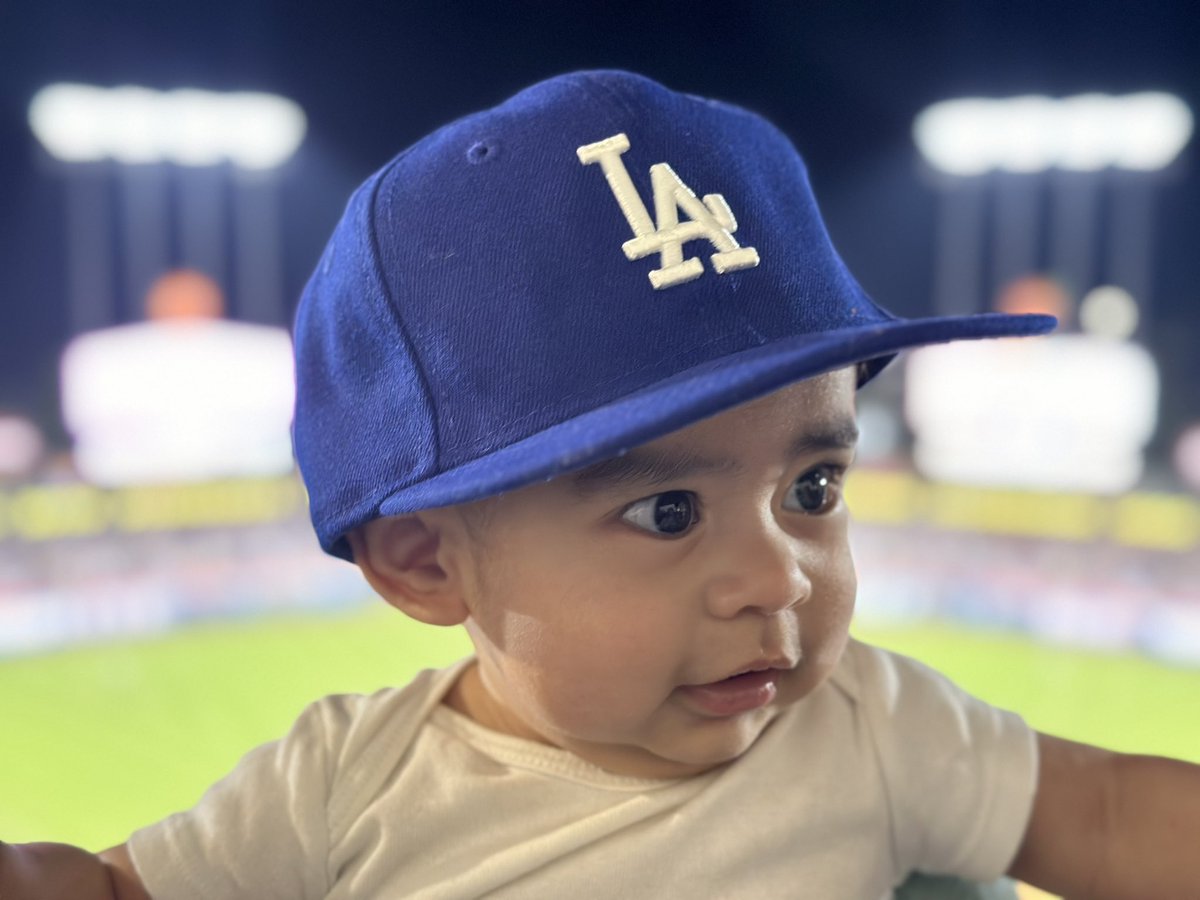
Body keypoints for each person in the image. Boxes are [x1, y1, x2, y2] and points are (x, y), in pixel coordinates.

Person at [4, 70, 1199, 900]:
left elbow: (1101, 817)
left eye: (815, 487)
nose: (777, 573)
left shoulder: (872, 727)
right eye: (666, 510)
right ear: (426, 560)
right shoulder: (342, 789)